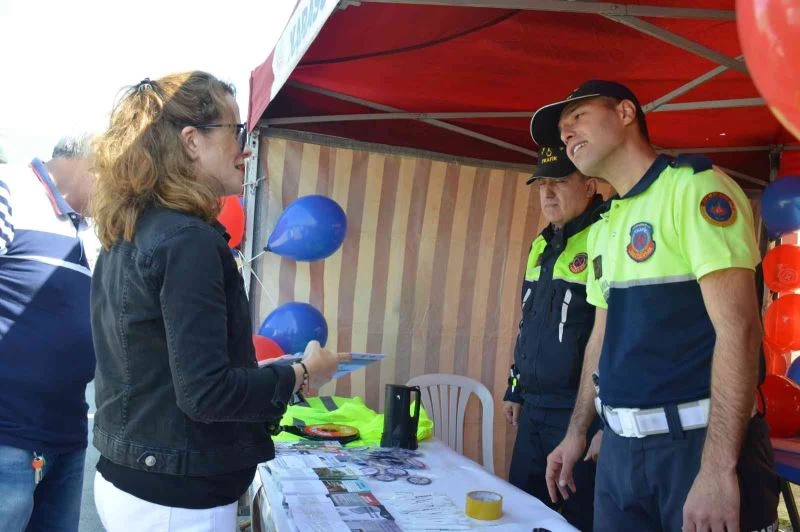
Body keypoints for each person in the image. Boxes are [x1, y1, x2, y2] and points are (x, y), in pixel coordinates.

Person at [90, 72, 346, 531]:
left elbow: (165, 374)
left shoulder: (129, 230)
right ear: (192, 141)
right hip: (174, 496)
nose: (245, 147)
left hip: (136, 477)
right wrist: (303, 374)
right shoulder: (187, 240)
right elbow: (205, 394)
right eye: (236, 131)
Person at [531, 80, 779, 531]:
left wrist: (718, 469)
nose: (566, 135)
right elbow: (600, 339)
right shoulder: (606, 225)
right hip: (621, 453)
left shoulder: (694, 189)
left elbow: (739, 330)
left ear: (626, 113)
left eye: (577, 118)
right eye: (563, 131)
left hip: (699, 448)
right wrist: (576, 431)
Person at [502, 142, 605, 530]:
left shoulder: (605, 237)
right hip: (534, 411)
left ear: (590, 184)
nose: (547, 192)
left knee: (574, 520)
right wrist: (515, 387)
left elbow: (611, 335)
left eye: (559, 181)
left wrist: (605, 424)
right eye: (542, 183)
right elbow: (528, 323)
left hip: (580, 414)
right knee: (521, 514)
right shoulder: (541, 244)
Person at [0, 134, 98, 531]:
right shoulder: (11, 189)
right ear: (92, 161)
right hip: (8, 435)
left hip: (67, 437)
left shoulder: (93, 227)